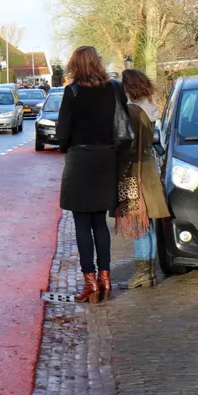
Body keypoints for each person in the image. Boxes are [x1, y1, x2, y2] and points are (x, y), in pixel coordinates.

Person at [56, 46, 129, 303]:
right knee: (100, 223)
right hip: (107, 159)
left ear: (74, 65)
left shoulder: (72, 92)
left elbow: (62, 133)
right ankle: (106, 277)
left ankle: (90, 282)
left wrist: (66, 145)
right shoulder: (114, 89)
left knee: (81, 224)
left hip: (81, 160)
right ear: (97, 63)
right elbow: (123, 122)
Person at [118, 69, 170, 288]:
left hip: (133, 173)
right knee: (147, 225)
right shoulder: (149, 109)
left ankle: (142, 274)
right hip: (149, 170)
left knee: (138, 223)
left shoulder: (131, 110)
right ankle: (148, 274)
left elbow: (127, 144)